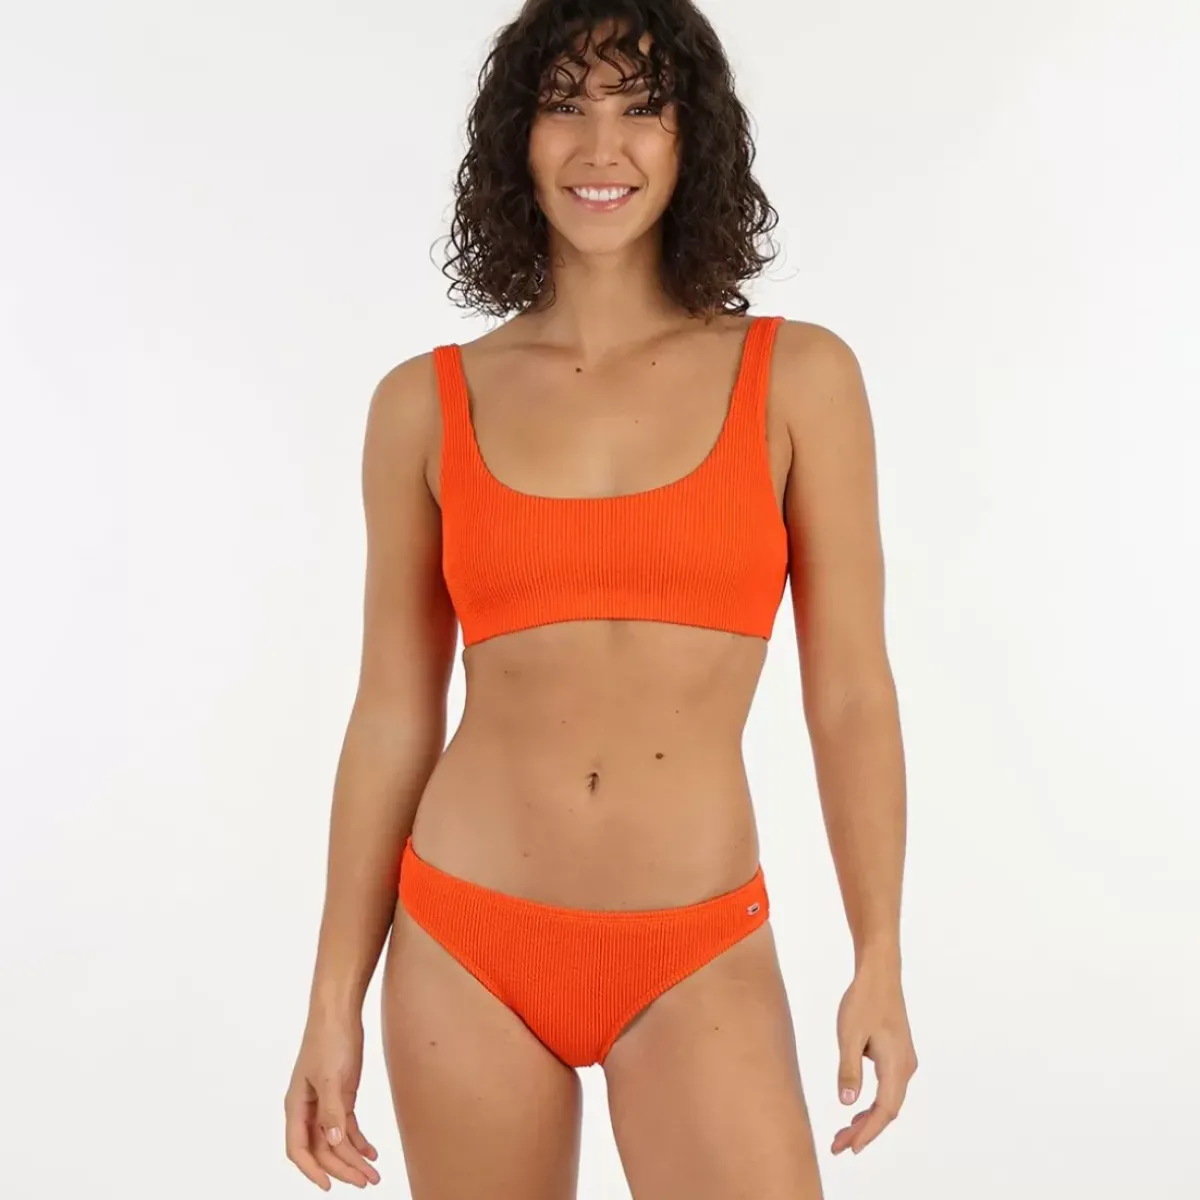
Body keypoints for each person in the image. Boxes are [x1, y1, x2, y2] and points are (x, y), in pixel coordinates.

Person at [284, 1, 917, 1196]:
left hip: (694, 941)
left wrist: (877, 952)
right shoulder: (423, 404)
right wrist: (332, 1003)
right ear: (515, 141)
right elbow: (392, 714)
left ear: (694, 139)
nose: (600, 146)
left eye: (640, 108)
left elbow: (850, 696)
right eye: (564, 105)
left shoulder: (801, 379)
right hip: (464, 938)